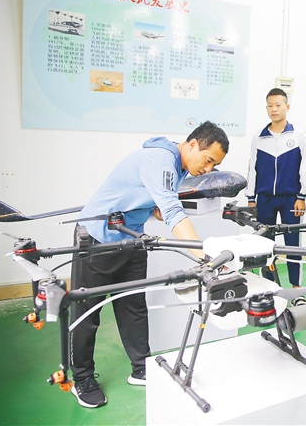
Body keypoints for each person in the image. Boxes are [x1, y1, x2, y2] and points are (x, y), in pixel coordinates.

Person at [69, 121, 229, 408]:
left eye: (214, 165)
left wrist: (151, 206)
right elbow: (172, 211)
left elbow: (156, 200)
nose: (208, 169)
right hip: (96, 238)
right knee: (87, 312)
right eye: (208, 160)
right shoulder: (161, 160)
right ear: (193, 144)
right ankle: (81, 379)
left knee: (133, 306)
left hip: (131, 238)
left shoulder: (179, 166)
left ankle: (141, 367)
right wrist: (206, 258)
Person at [247, 88, 306, 296]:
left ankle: (297, 291)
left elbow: (305, 167)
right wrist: (251, 198)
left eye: (278, 105)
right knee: (265, 246)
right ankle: (269, 288)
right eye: (270, 106)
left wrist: (302, 196)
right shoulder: (259, 136)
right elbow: (252, 168)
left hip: (291, 199)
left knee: (293, 246)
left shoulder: (298, 134)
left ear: (287, 107)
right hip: (264, 199)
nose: (274, 109)